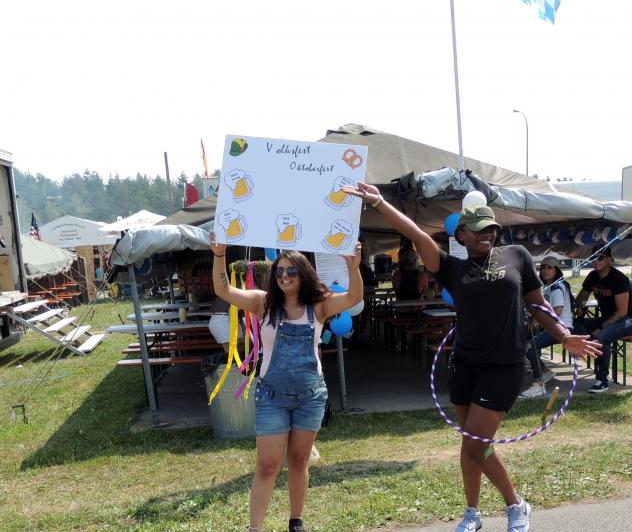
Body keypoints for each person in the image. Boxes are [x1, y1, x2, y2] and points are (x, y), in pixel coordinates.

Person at [342, 182, 600, 532]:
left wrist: (565, 336)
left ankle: (516, 505)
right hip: (464, 364)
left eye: (491, 229)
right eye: (478, 230)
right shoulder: (452, 268)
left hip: (505, 366)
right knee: (472, 446)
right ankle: (473, 513)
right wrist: (380, 203)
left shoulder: (517, 257)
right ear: (462, 234)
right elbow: (416, 233)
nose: (487, 235)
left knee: (476, 445)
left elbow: (537, 305)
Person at [210, 233, 363, 532]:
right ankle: (255, 528)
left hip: (310, 397)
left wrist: (352, 266)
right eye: (279, 271)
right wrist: (219, 255)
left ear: (303, 273)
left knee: (298, 461)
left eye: (291, 270)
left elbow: (354, 297)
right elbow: (223, 289)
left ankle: (296, 521)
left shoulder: (318, 306)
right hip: (272, 397)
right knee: (267, 464)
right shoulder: (263, 303)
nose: (284, 276)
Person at [573, 245, 632, 393]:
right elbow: (581, 298)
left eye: (600, 258)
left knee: (603, 336)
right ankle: (585, 346)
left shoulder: (619, 279)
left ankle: (602, 380)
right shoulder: (592, 276)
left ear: (610, 260)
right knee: (576, 323)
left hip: (628, 320)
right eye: (593, 258)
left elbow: (622, 312)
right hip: (607, 318)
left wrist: (600, 328)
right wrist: (580, 305)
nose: (596, 261)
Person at [519, 256, 573, 398]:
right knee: (526, 341)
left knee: (531, 346)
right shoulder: (549, 286)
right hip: (553, 327)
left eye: (549, 268)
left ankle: (539, 384)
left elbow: (557, 312)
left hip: (562, 328)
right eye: (543, 267)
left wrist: (537, 317)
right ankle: (544, 371)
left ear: (557, 270)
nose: (545, 270)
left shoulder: (556, 287)